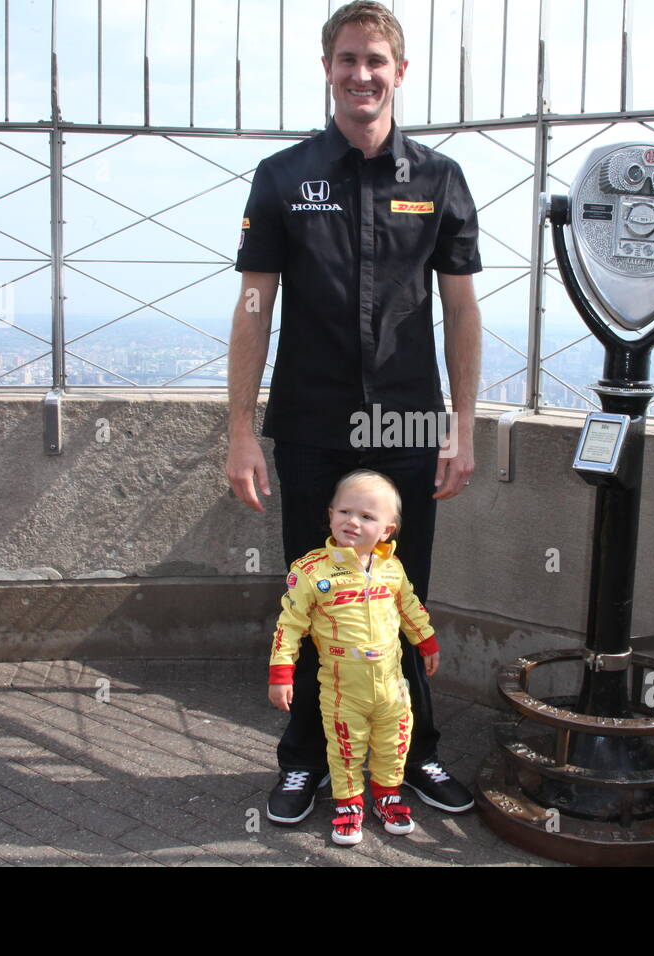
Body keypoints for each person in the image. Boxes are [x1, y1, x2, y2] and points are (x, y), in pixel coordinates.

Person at [226, 0, 481, 825]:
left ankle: (417, 756)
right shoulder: (281, 178)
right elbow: (254, 308)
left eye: (376, 60)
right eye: (347, 59)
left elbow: (462, 310)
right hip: (310, 426)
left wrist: (463, 424)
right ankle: (304, 760)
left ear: (400, 73)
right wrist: (239, 431)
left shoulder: (439, 180)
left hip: (407, 427)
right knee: (313, 603)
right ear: (327, 69)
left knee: (401, 599)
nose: (361, 74)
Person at [268, 470, 437, 845]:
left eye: (367, 517)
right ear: (329, 515)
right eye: (344, 511)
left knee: (394, 743)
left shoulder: (392, 568)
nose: (352, 521)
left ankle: (388, 797)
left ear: (386, 531)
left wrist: (426, 642)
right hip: (343, 688)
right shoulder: (311, 570)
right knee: (345, 747)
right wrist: (281, 673)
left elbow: (410, 606)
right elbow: (290, 625)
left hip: (392, 685)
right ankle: (348, 805)